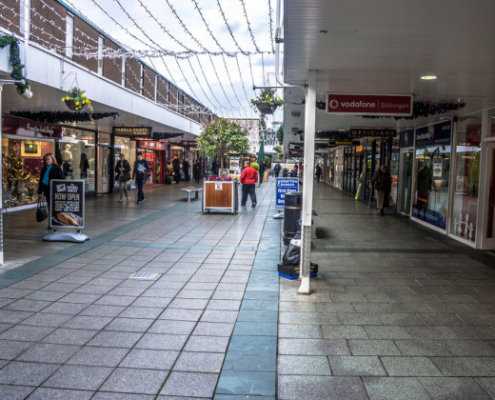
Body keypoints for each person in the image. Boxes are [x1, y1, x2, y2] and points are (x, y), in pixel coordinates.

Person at [37, 153, 65, 224]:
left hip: (55, 191)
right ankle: (51, 222)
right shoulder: (44, 169)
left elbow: (62, 179)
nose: (47, 161)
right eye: (46, 160)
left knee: (55, 207)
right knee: (50, 207)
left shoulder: (57, 168)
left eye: (49, 159)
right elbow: (41, 181)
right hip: (47, 190)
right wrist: (39, 192)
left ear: (52, 160)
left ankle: (57, 221)